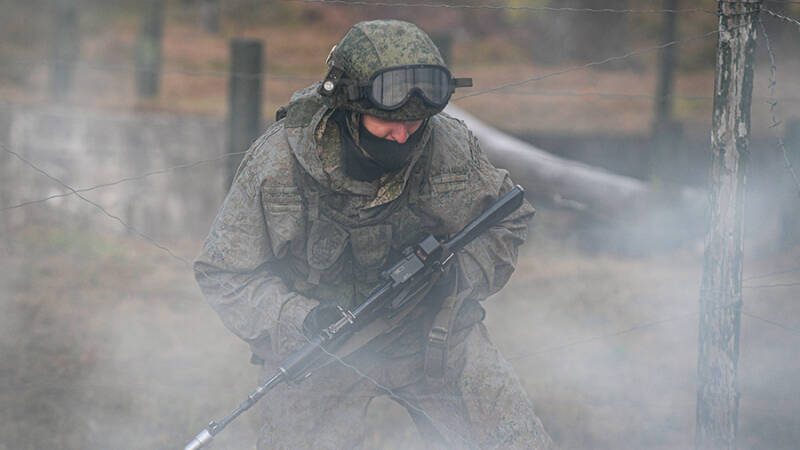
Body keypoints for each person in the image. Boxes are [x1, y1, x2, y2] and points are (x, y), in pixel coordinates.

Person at [194, 19, 553, 449]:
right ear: (348, 108)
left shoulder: (448, 147)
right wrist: (300, 320)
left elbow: (508, 218)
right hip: (322, 353)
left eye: (417, 122)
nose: (404, 135)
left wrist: (457, 280)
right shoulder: (278, 166)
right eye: (388, 123)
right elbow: (223, 274)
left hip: (433, 335)